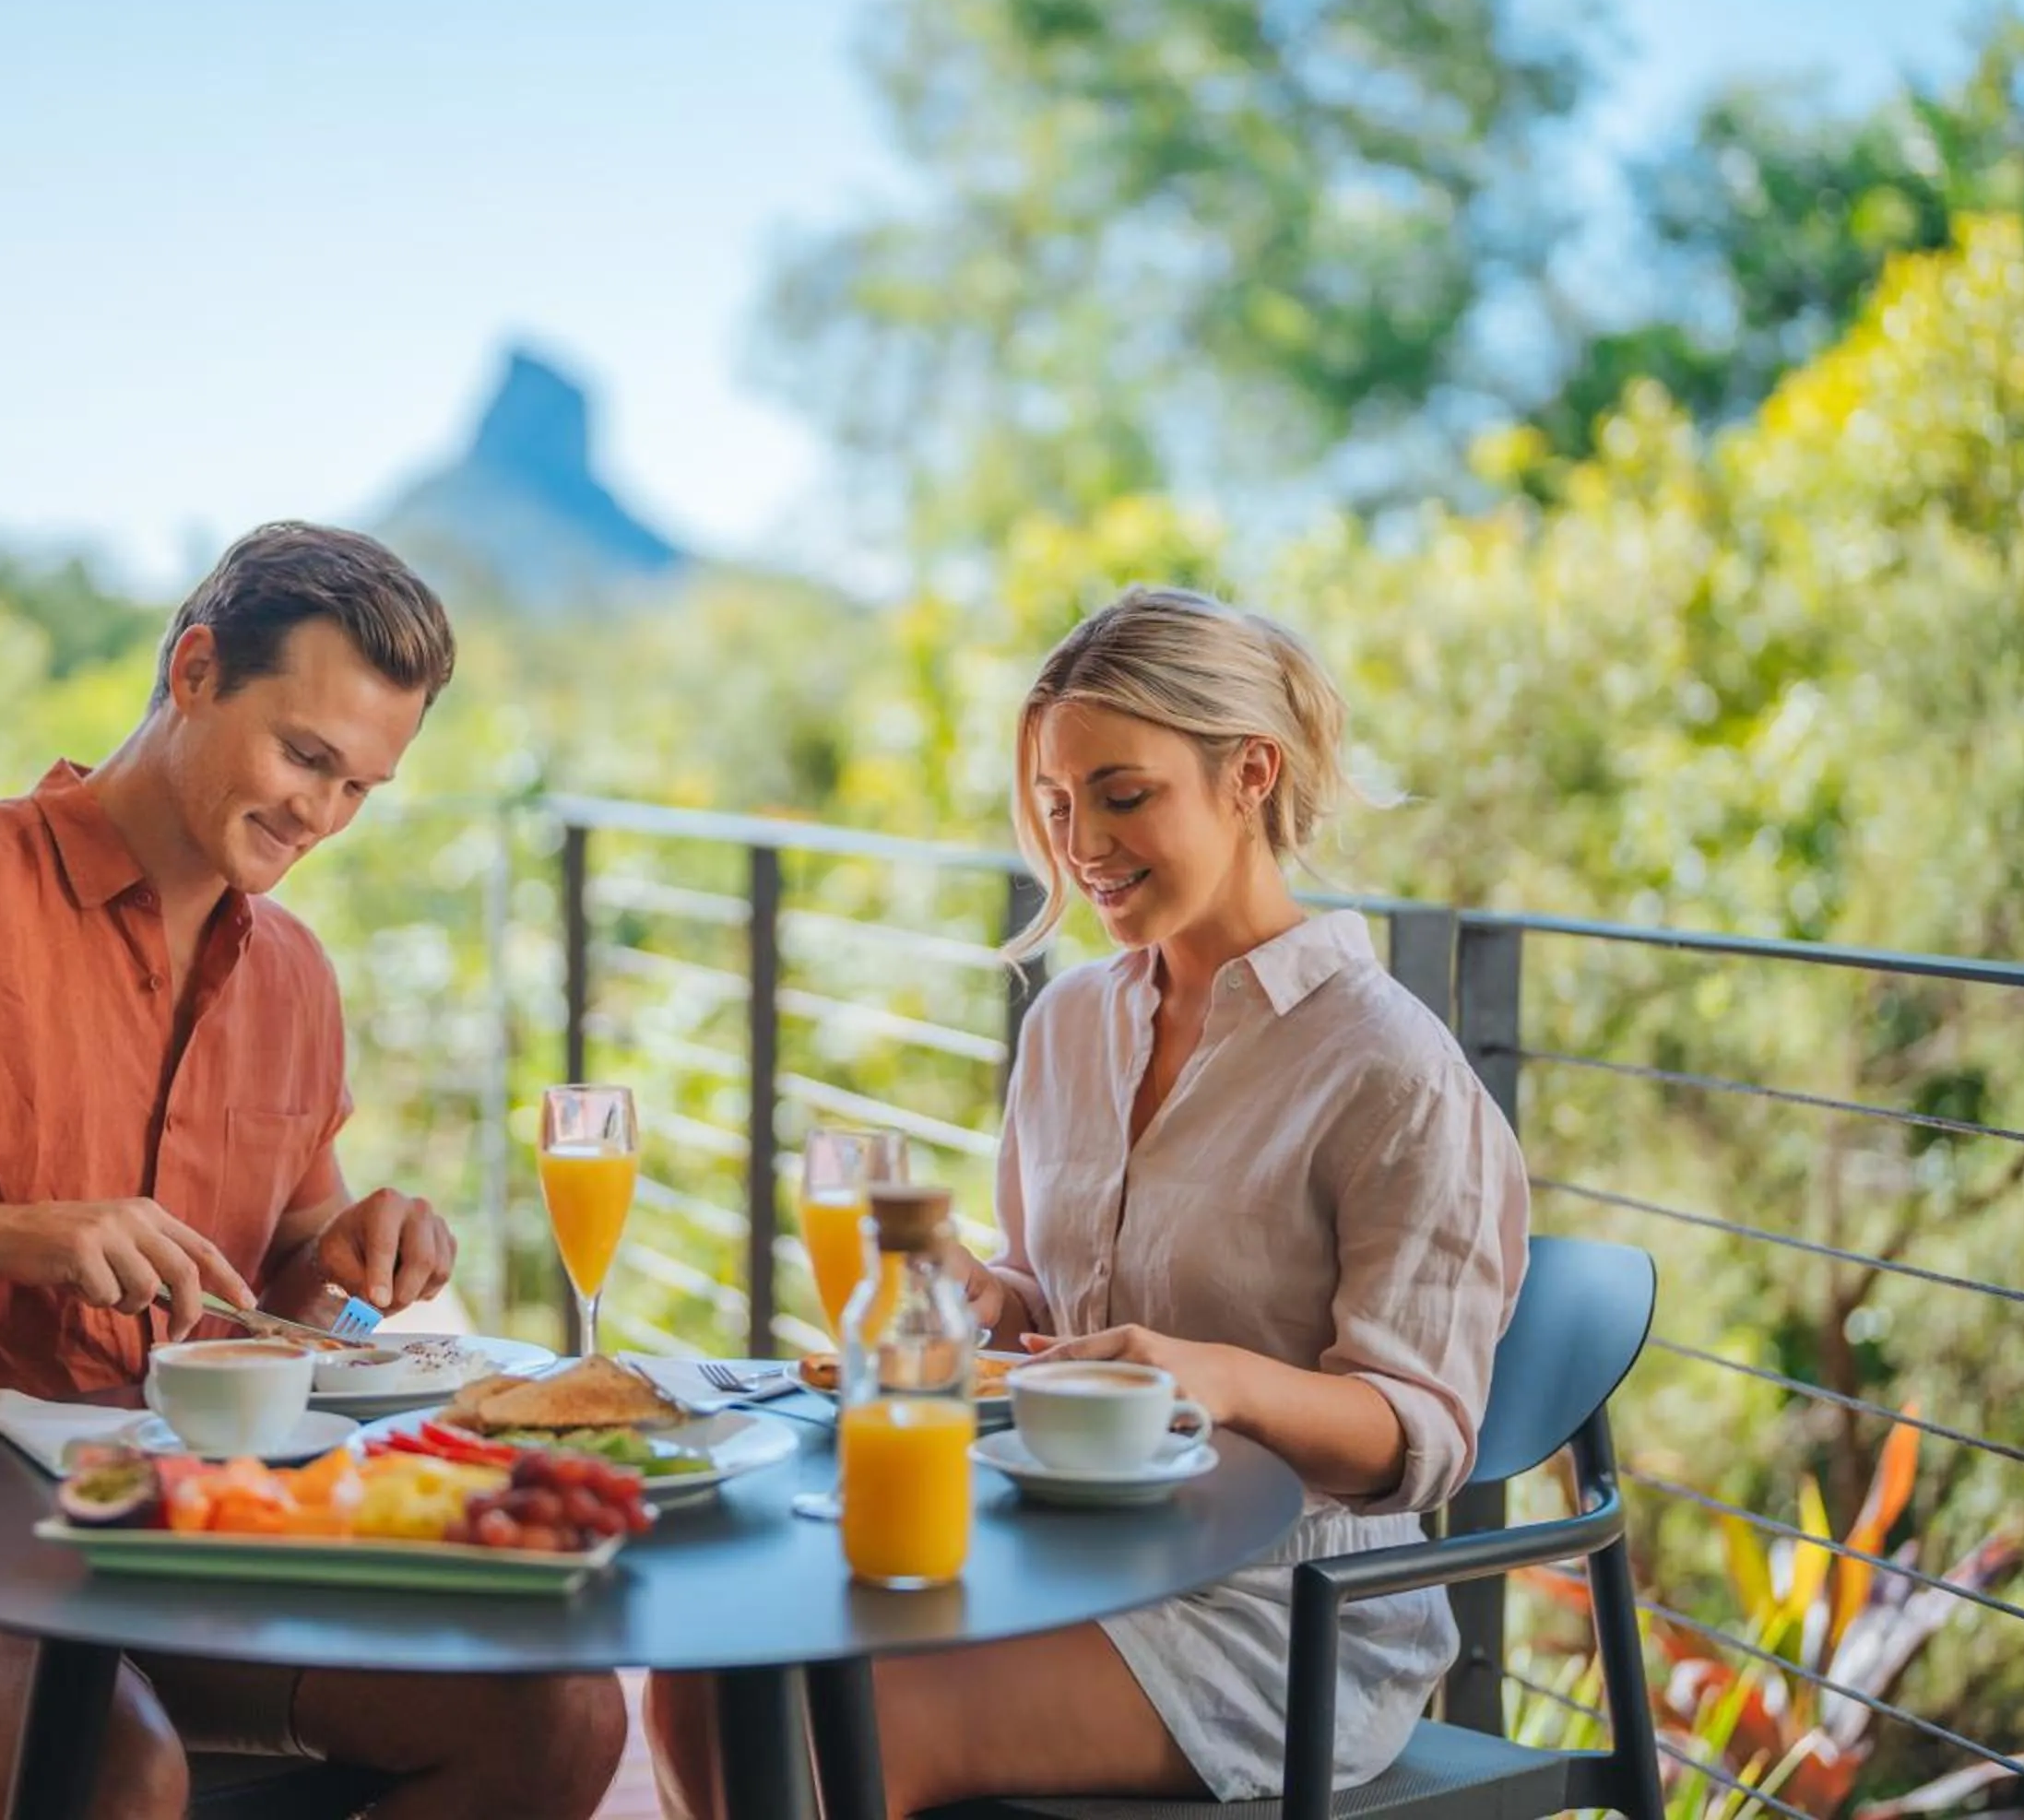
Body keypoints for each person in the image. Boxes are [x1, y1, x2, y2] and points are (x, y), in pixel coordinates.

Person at [0, 522, 627, 1820]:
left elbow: (293, 1289)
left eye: (361, 786)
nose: (322, 814)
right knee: (100, 1771)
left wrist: (351, 1254)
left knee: (559, 1714)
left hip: (199, 1543)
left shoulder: (295, 979)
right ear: (194, 670)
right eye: (304, 756)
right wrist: (2, 1233)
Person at [647, 586, 1528, 1815]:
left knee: (823, 1717)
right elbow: (1049, 1308)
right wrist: (969, 1296)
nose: (1084, 846)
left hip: (1285, 1609)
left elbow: (1418, 1435)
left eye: (1124, 795)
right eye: (1058, 809)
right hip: (1057, 1546)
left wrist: (1213, 1378)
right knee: (699, 1682)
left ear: (1250, 776)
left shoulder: (1390, 1069)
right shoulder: (1071, 1023)